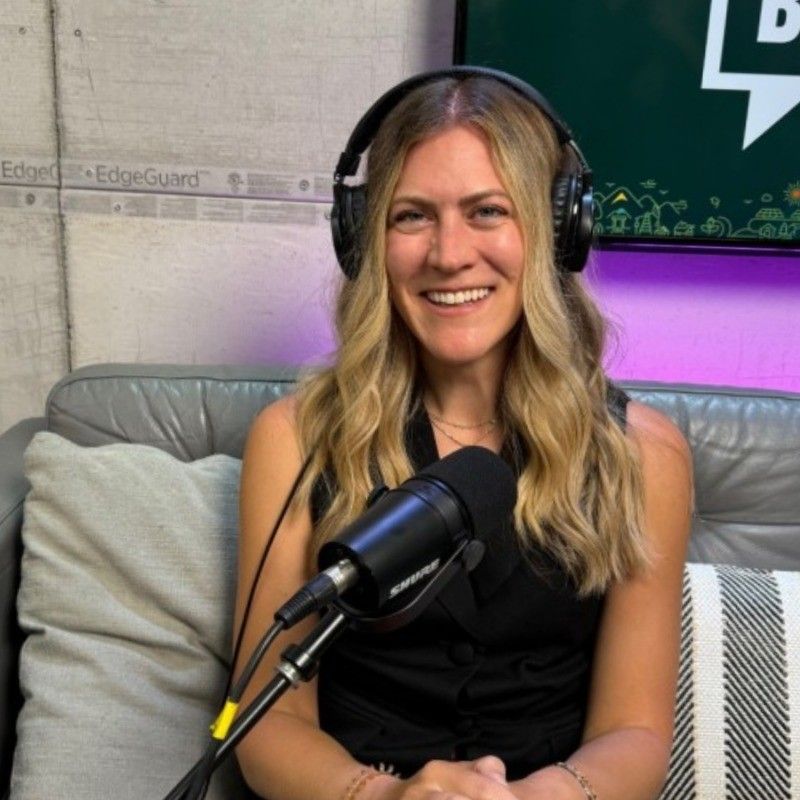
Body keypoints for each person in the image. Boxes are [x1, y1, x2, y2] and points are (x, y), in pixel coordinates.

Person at [233, 67, 693, 800]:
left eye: (487, 211)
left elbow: (633, 732)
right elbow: (267, 723)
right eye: (412, 216)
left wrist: (531, 798)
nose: (448, 254)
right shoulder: (294, 440)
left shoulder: (644, 456)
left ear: (557, 231)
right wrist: (386, 796)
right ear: (364, 239)